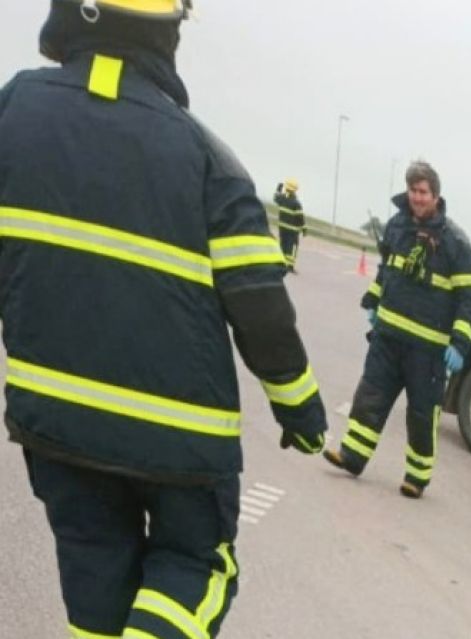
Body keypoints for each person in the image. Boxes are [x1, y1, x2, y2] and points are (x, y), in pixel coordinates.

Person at [0, 2, 328, 636]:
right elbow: (261, 306)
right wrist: (302, 411)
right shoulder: (207, 155)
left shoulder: (13, 113)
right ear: (167, 30)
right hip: (181, 443)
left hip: (58, 425)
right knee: (196, 565)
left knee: (96, 583)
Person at [323, 161, 471, 499]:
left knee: (422, 414)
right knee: (370, 397)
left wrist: (460, 342)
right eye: (412, 190)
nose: (417, 197)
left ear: (436, 196)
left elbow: (470, 297)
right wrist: (373, 301)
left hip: (428, 350)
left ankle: (416, 477)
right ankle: (352, 456)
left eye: (423, 192)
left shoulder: (456, 243)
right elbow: (387, 270)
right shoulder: (397, 226)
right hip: (388, 337)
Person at [274, 178, 306, 273]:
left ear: (286, 187)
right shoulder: (296, 203)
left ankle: (280, 263)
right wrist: (304, 229)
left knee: (283, 245)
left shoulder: (282, 199)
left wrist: (278, 189)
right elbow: (300, 218)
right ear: (295, 189)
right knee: (292, 248)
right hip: (293, 230)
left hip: (282, 228)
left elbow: (276, 197)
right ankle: (290, 266)